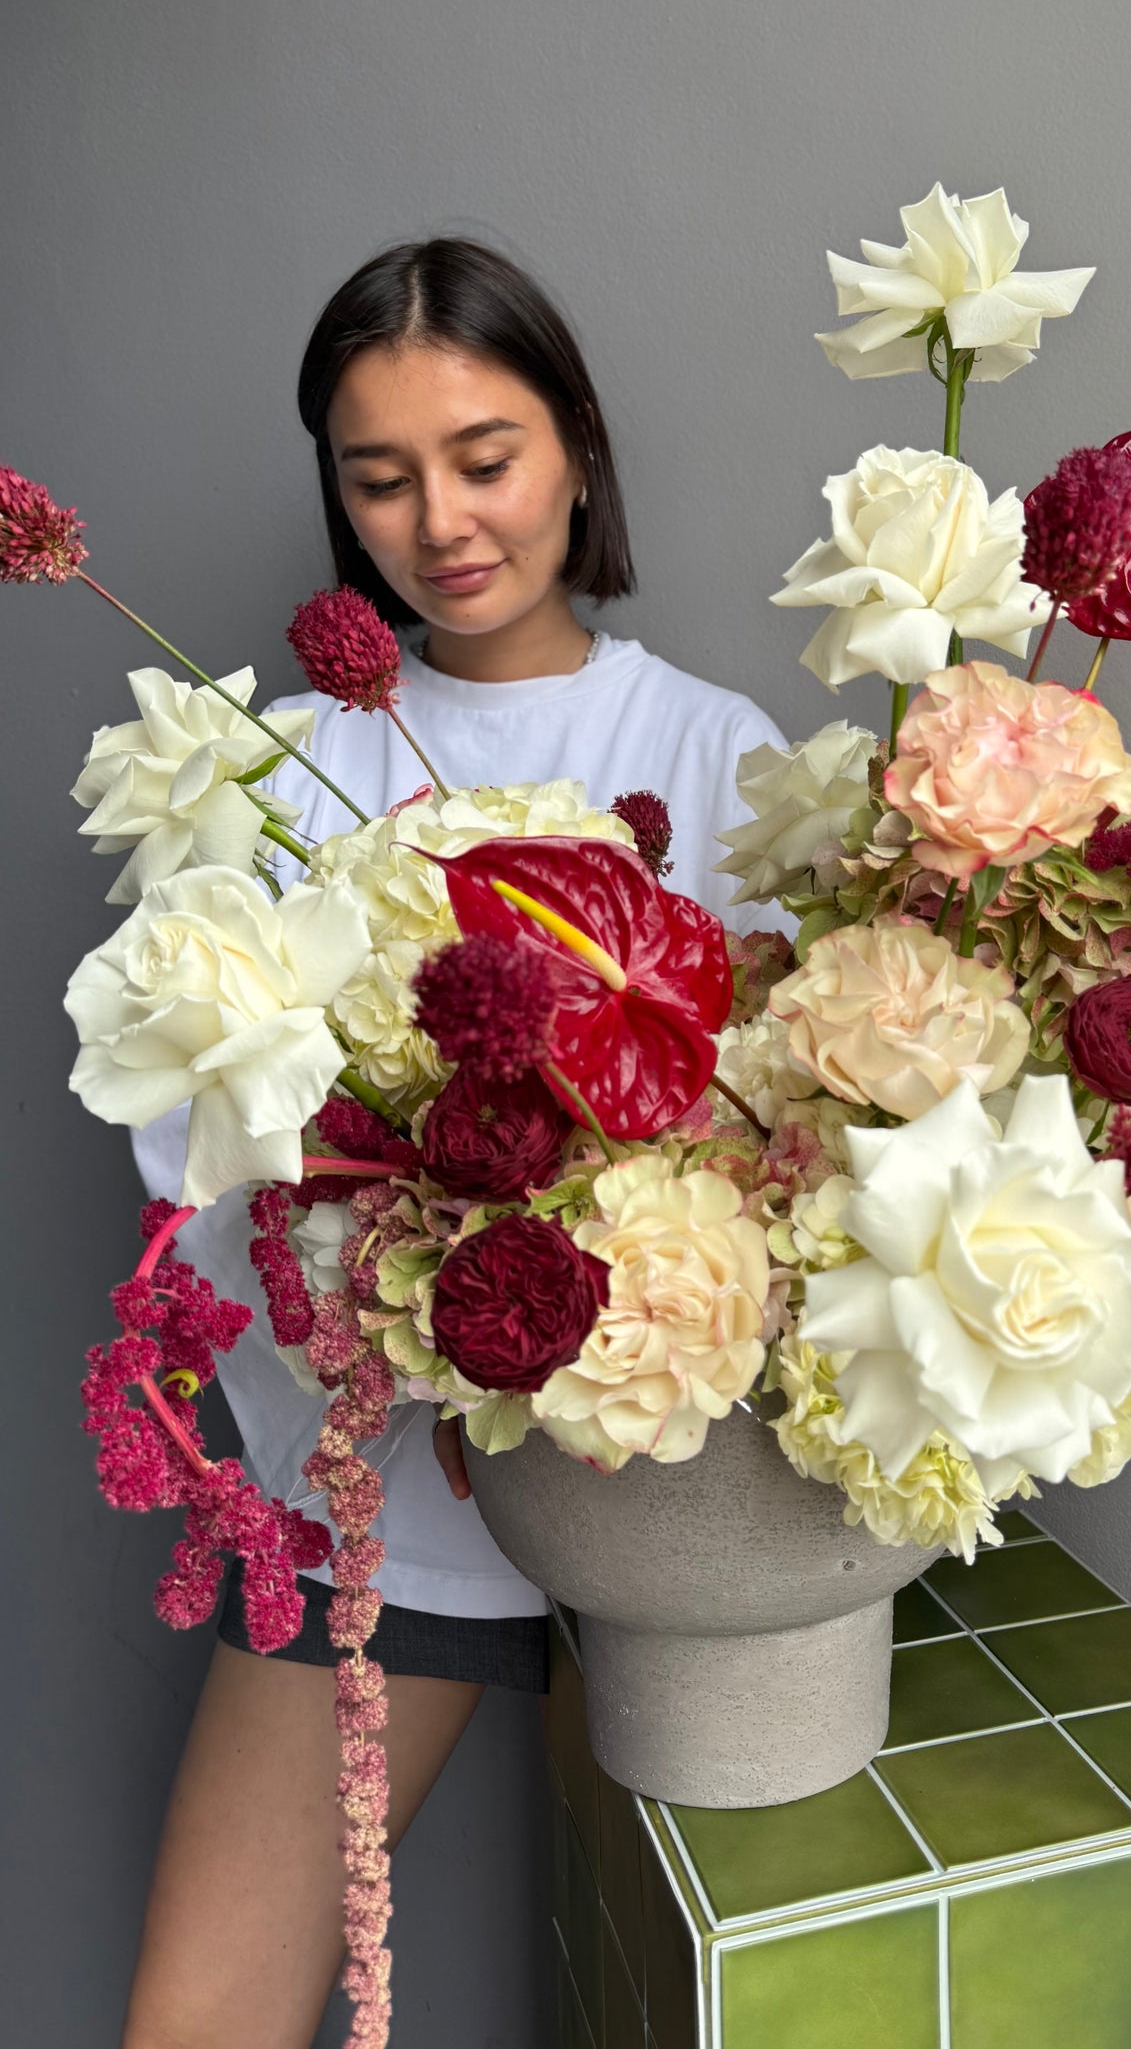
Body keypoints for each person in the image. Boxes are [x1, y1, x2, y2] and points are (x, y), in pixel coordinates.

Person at [120, 237, 787, 2048]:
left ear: (575, 444)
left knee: (714, 2008)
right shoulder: (293, 764)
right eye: (380, 475)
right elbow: (197, 1135)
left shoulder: (716, 750)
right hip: (388, 1511)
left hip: (683, 1513)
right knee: (199, 2022)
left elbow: (796, 1134)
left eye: (483, 456)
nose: (442, 520)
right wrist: (379, 1234)